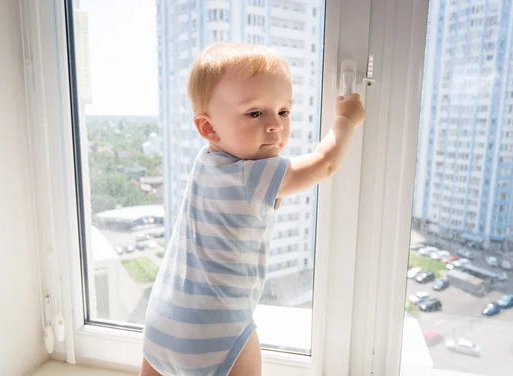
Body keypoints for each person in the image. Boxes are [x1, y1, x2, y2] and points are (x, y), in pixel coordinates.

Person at [140, 42, 365, 376]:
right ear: (209, 127)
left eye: (283, 112)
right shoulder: (255, 174)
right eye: (255, 113)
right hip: (219, 331)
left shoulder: (206, 162)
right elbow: (325, 164)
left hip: (162, 320)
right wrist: (346, 120)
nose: (275, 125)